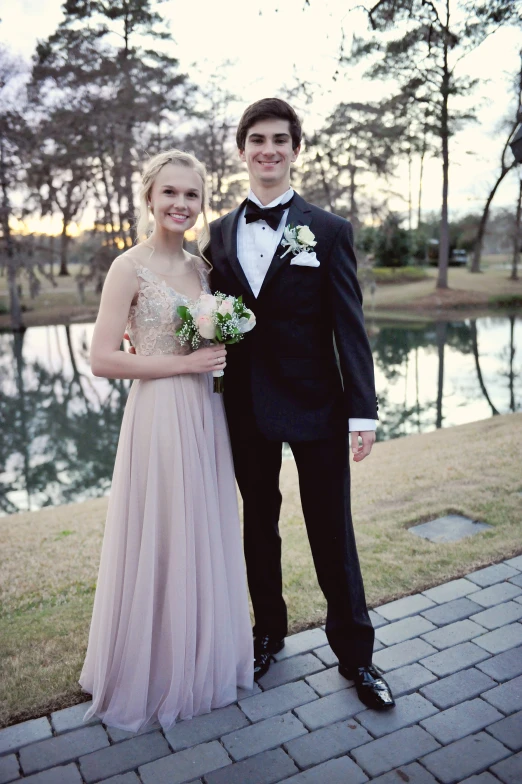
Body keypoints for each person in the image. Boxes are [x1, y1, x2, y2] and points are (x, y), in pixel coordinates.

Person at [207, 98, 394, 711]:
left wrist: (362, 412)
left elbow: (351, 327)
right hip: (245, 408)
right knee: (257, 526)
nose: (268, 150)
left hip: (318, 406)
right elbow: (207, 314)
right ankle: (268, 634)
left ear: (294, 149)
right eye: (256, 139)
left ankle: (357, 657)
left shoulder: (330, 230)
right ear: (241, 150)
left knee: (330, 532)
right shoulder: (217, 234)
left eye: (280, 140)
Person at [79, 150, 253, 732]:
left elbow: (211, 344)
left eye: (192, 196)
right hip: (158, 415)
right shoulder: (128, 267)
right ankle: (151, 669)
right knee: (161, 529)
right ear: (150, 197)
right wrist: (187, 365)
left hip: (207, 414)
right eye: (170, 193)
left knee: (200, 528)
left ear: (203, 204)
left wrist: (217, 355)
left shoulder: (205, 270)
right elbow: (103, 359)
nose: (181, 205)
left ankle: (199, 660)